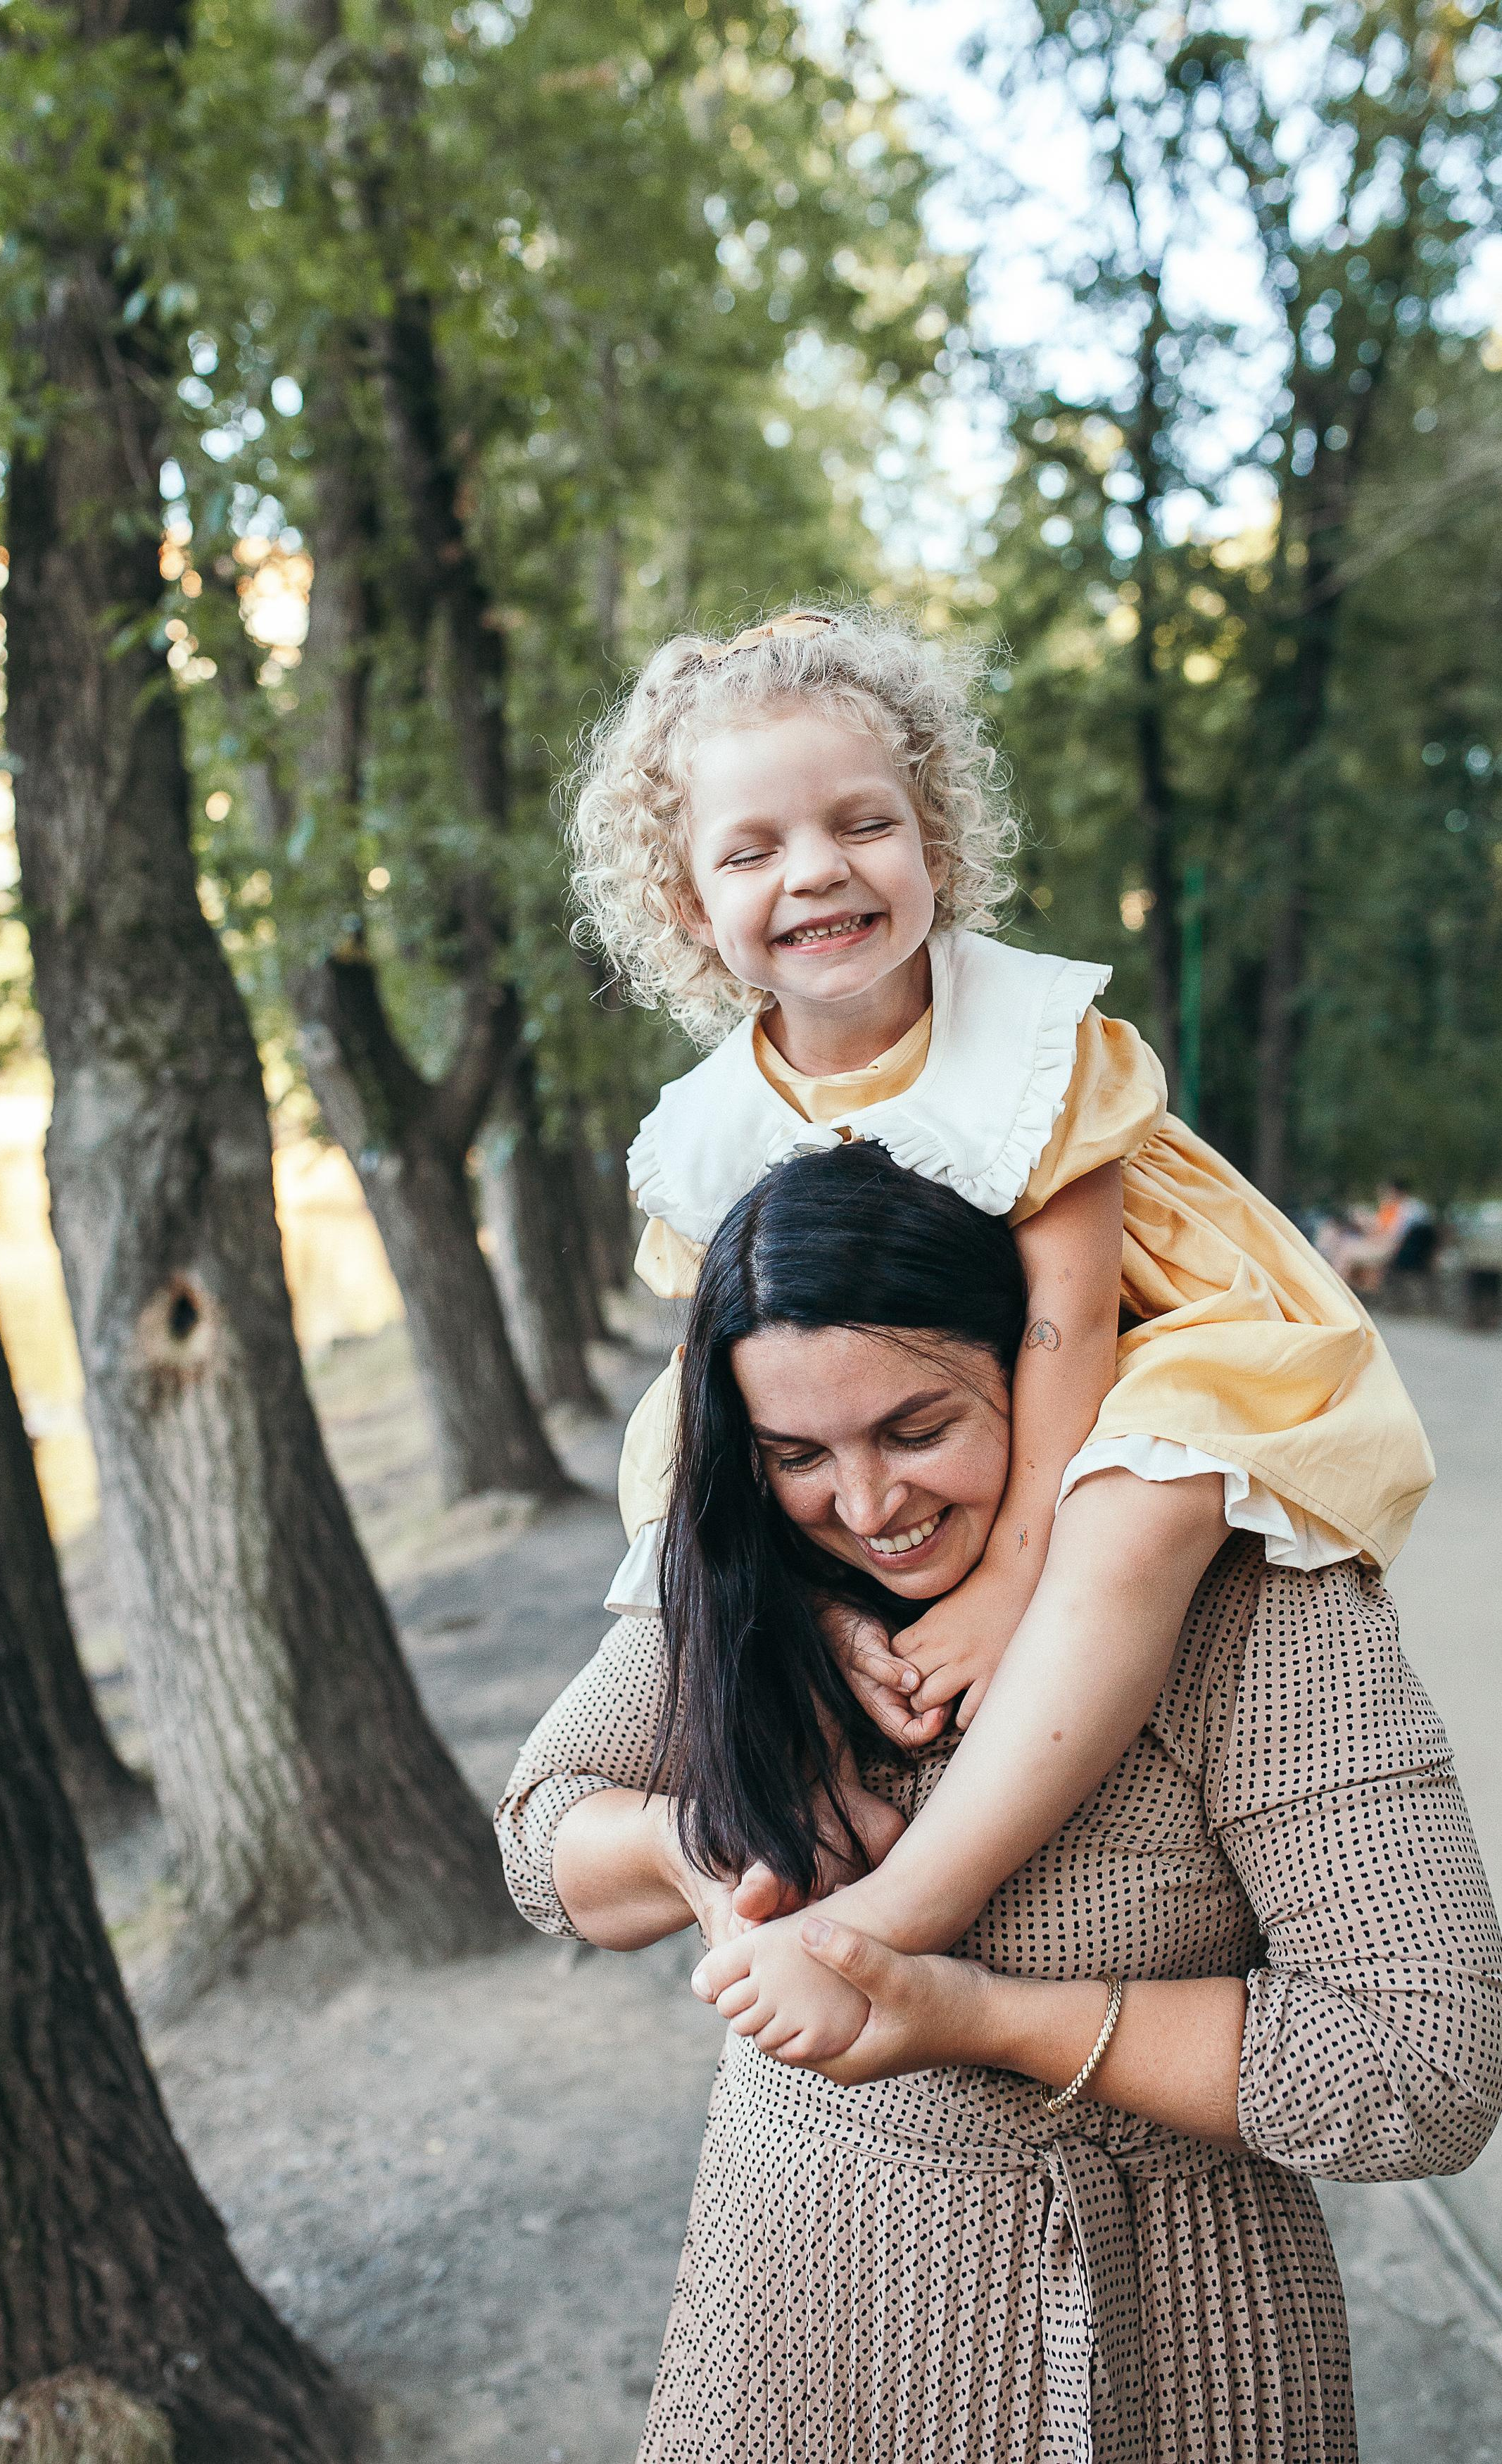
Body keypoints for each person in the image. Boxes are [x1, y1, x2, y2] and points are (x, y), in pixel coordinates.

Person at [496, 1146, 1502, 2461]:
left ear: (1038, 1373)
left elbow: (1426, 2066)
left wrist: (989, 2020)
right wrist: (704, 1851)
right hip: (783, 2318)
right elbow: (538, 1839)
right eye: (799, 1452)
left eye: (919, 1430)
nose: (867, 1507)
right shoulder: (757, 1577)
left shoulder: (1251, 1605)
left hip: (1158, 2333)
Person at [567, 604, 1435, 2044]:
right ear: (685, 903)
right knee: (691, 1484)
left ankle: (906, 1908)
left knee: (1143, 1498)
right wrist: (832, 1604)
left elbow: (1067, 1333)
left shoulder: (1030, 1042)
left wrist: (1000, 1583)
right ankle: (811, 1756)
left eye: (864, 823)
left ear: (936, 840)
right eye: (753, 849)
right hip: (876, 1384)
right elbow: (732, 1376)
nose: (818, 872)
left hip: (1131, 1340)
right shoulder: (705, 1131)